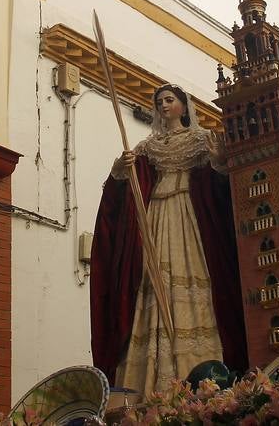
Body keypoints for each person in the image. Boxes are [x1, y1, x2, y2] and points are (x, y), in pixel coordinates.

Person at [90, 84, 247, 396]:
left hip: (188, 215)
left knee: (193, 276)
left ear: (184, 106)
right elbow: (128, 184)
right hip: (157, 215)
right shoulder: (150, 146)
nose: (163, 105)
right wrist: (120, 170)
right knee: (152, 280)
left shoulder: (201, 140)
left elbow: (219, 187)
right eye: (159, 101)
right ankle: (149, 382)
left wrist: (218, 163)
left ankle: (204, 375)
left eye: (169, 100)